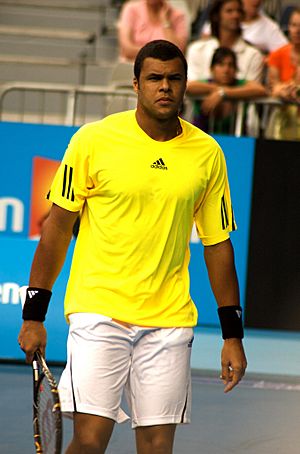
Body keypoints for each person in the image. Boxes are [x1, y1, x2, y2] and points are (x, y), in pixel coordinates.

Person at [18, 39, 247, 454]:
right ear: (136, 84)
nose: (165, 87)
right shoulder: (93, 140)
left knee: (158, 448)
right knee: (89, 441)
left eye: (174, 79)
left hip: (170, 320)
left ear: (185, 84)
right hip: (99, 311)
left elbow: (217, 245)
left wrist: (233, 334)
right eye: (155, 78)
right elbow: (56, 230)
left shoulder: (208, 154)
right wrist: (34, 314)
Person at [187, 46, 267, 134]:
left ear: (236, 69)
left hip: (235, 142)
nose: (226, 70)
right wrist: (218, 90)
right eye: (221, 64)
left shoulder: (239, 84)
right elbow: (187, 86)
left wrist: (224, 93)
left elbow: (261, 90)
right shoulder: (205, 83)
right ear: (212, 68)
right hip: (201, 140)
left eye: (230, 65)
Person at [186, 0, 264, 84]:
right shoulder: (197, 49)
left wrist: (222, 93)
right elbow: (189, 86)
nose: (235, 15)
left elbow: (254, 90)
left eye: (239, 11)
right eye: (229, 11)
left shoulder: (253, 54)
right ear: (217, 15)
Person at [200, 0, 288, 54]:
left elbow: (286, 52)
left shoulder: (270, 27)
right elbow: (204, 44)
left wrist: (266, 59)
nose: (256, 1)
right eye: (230, 11)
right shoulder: (222, 21)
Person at [266, 7, 300, 140]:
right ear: (288, 27)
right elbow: (273, 87)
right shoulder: (277, 55)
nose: (297, 30)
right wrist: (284, 91)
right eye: (294, 25)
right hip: (282, 118)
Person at [118, 0, 189, 62]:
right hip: (133, 65)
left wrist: (166, 23)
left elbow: (178, 51)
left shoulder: (178, 16)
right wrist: (161, 53)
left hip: (165, 69)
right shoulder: (131, 9)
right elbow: (127, 49)